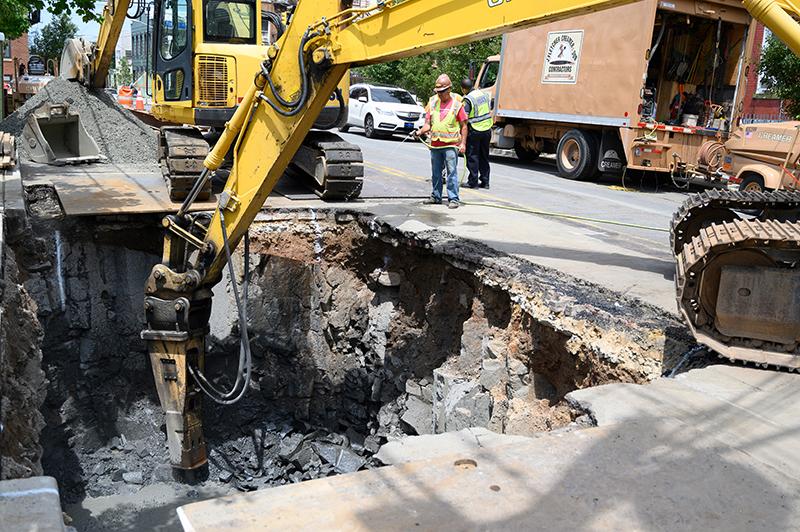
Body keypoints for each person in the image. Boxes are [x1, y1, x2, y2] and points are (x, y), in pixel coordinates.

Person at [415, 74, 468, 209]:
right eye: (438, 92)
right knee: (436, 172)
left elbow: (464, 126)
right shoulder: (433, 104)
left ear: (449, 90)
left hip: (451, 145)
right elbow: (428, 124)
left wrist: (463, 144)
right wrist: (420, 131)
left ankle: (453, 198)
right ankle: (436, 196)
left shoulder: (457, 105)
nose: (439, 94)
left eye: (442, 92)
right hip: (436, 145)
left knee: (451, 172)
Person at [461, 78, 493, 189]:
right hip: (487, 129)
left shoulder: (468, 99)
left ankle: (473, 182)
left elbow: (464, 117)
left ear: (464, 89)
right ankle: (485, 181)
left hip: (475, 130)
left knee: (472, 156)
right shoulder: (482, 94)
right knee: (484, 156)